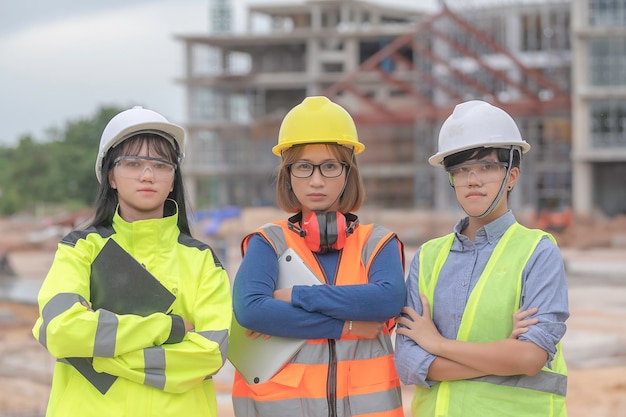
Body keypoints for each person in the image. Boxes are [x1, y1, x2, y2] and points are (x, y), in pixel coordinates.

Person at [32, 106, 232, 417]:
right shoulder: (80, 249)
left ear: (172, 179)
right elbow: (59, 330)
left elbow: (210, 354)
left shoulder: (202, 261)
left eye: (160, 165)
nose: (148, 175)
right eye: (133, 163)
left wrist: (97, 354)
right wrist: (168, 328)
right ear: (110, 175)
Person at [231, 96, 407, 417]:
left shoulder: (377, 242)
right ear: (287, 174)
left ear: (348, 172)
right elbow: (252, 310)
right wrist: (348, 326)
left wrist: (295, 297)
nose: (316, 180)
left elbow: (387, 300)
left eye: (329, 166)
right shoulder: (267, 242)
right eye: (303, 166)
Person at [394, 100, 569, 417]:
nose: (472, 179)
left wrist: (438, 345)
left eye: (486, 167)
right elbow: (407, 363)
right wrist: (505, 355)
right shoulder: (428, 257)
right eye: (461, 170)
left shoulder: (538, 251)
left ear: (512, 175)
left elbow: (530, 358)